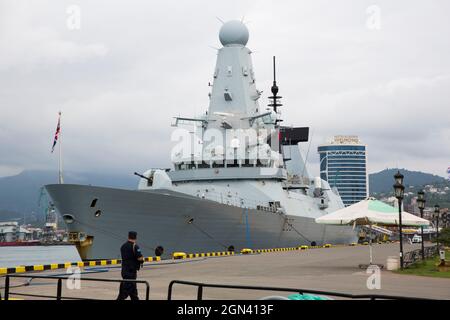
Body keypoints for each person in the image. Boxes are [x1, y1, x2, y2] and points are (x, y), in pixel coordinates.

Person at [117, 231, 144, 300]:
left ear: (128, 236)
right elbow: (140, 258)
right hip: (131, 272)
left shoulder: (123, 246)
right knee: (123, 294)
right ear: (135, 237)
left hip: (124, 271)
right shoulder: (135, 246)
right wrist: (142, 260)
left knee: (133, 294)